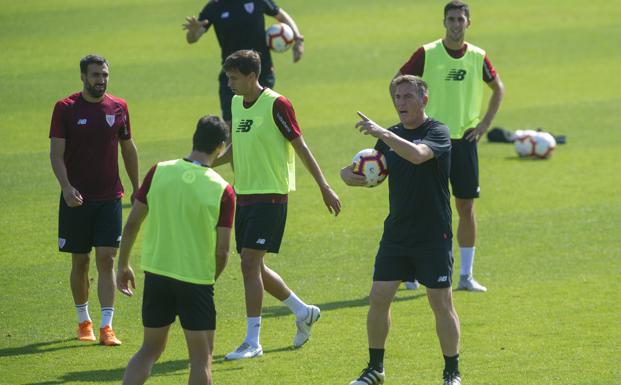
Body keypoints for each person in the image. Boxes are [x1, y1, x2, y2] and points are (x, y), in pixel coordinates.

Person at [214, 49, 341, 360]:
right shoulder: (235, 103)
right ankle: (303, 311)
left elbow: (300, 146)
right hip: (243, 195)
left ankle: (253, 342)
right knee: (254, 265)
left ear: (252, 76)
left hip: (270, 196)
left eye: (233, 78)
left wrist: (324, 186)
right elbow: (236, 146)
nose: (229, 84)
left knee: (248, 265)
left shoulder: (277, 105)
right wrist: (207, 164)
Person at [342, 75, 461, 385]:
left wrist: (382, 133)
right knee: (379, 297)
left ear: (424, 100)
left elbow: (418, 155)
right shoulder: (390, 136)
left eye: (408, 96)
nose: (401, 103)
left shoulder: (438, 132)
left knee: (440, 302)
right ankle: (375, 369)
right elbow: (367, 165)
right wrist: (348, 175)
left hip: (433, 234)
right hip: (397, 234)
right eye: (397, 97)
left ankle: (452, 372)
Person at [116, 115, 235, 385]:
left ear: (195, 138)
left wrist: (122, 265)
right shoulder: (223, 190)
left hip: (157, 275)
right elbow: (223, 253)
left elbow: (133, 222)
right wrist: (208, 280)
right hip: (196, 281)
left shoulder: (159, 170)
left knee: (149, 350)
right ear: (220, 147)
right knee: (201, 359)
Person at [396, 0, 505, 292]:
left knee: (466, 206)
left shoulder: (478, 57)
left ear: (468, 23)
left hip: (464, 141)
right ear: (444, 22)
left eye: (460, 19)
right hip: (430, 139)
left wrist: (483, 126)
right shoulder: (427, 53)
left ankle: (466, 275)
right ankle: (410, 271)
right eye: (451, 19)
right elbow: (397, 83)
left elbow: (498, 88)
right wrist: (409, 118)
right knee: (421, 205)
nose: (456, 24)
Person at [49, 54, 139, 346]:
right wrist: (65, 187)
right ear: (83, 77)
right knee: (81, 261)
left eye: (104, 75)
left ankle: (106, 326)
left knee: (107, 259)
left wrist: (138, 187)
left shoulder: (119, 107)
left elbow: (128, 149)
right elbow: (56, 154)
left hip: (109, 197)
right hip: (76, 199)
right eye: (95, 75)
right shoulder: (65, 108)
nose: (100, 80)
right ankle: (83, 320)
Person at [183, 0, 304, 127]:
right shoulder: (214, 7)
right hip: (232, 75)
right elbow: (193, 38)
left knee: (257, 121)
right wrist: (192, 31)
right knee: (231, 125)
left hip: (259, 73)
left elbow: (281, 15)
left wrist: (298, 39)